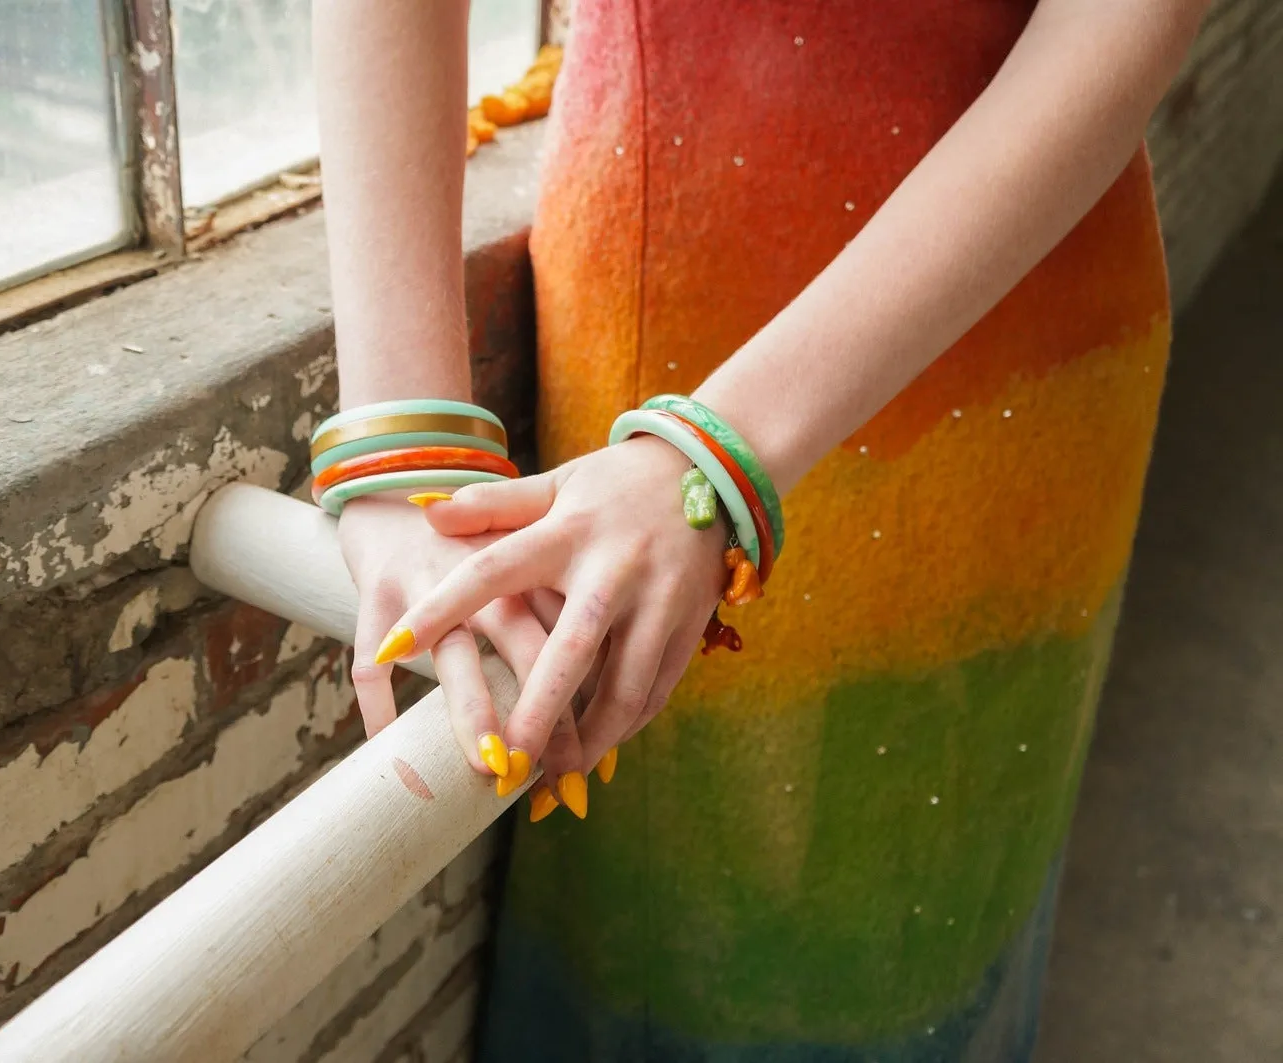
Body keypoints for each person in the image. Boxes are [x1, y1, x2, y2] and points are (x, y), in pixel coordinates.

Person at [310, 0, 1209, 1058]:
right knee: (671, 934)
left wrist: (714, 459)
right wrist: (401, 444)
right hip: (661, 329)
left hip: (1010, 339)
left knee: (928, 918)